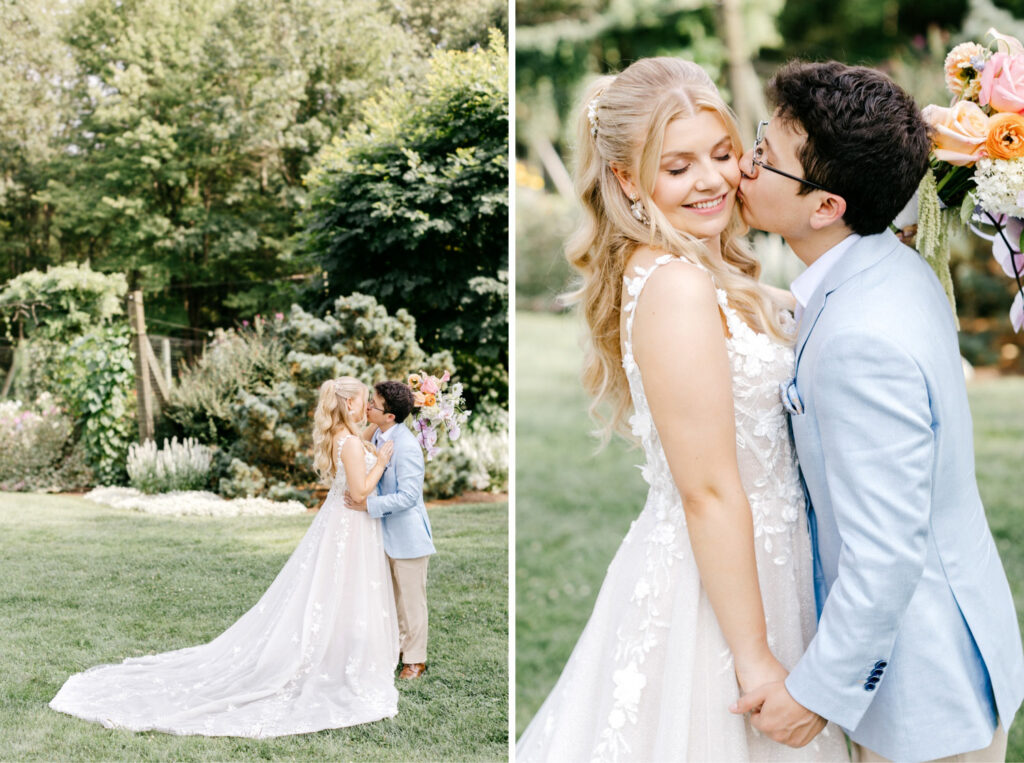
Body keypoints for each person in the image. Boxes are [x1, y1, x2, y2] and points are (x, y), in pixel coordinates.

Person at [515, 57, 848, 761]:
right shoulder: (673, 286)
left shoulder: (705, 269)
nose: (713, 179)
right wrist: (754, 657)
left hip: (767, 564)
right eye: (679, 166)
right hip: (719, 593)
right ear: (629, 180)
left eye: (724, 154)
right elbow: (709, 490)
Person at [730, 61, 1024, 762]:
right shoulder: (892, 269)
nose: (743, 165)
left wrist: (817, 694)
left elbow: (887, 550)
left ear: (825, 204)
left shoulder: (862, 337)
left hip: (926, 697)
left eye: (764, 158)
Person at [49, 376, 400, 737]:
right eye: (361, 401)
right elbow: (359, 492)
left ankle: (336, 652)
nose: (366, 407)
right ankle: (338, 658)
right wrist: (382, 461)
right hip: (350, 523)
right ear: (349, 405)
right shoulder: (353, 444)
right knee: (341, 589)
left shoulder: (345, 439)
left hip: (337, 524)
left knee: (331, 590)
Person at [345, 380, 435, 680]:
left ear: (390, 416)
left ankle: (415, 660)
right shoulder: (380, 435)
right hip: (384, 535)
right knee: (392, 599)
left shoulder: (407, 447)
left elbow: (410, 497)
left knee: (412, 602)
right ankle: (396, 647)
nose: (368, 406)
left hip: (408, 537)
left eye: (374, 404)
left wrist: (368, 506)